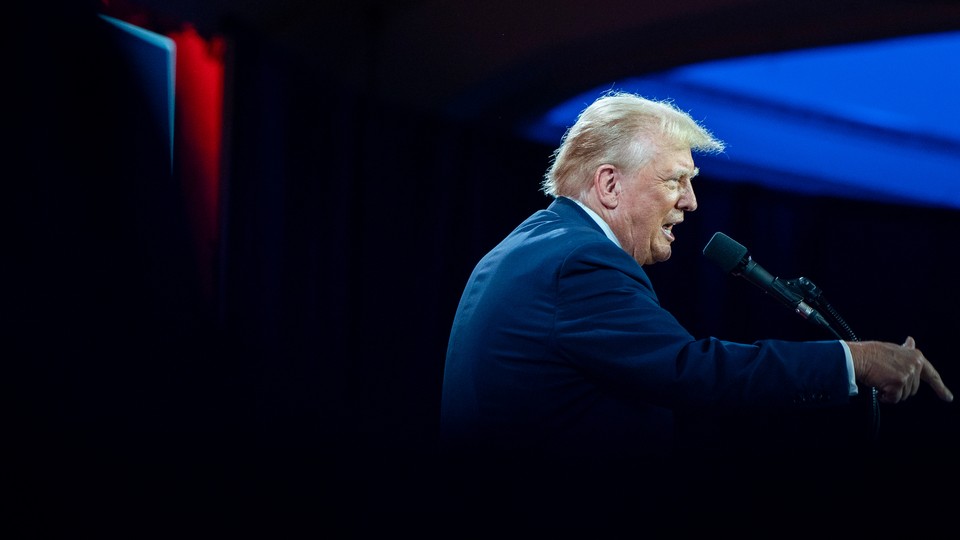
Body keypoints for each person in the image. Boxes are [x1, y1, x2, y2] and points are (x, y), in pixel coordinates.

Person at [438, 90, 953, 534]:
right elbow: (691, 371)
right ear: (610, 184)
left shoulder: (534, 242)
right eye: (675, 181)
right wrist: (852, 361)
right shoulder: (580, 260)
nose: (691, 202)